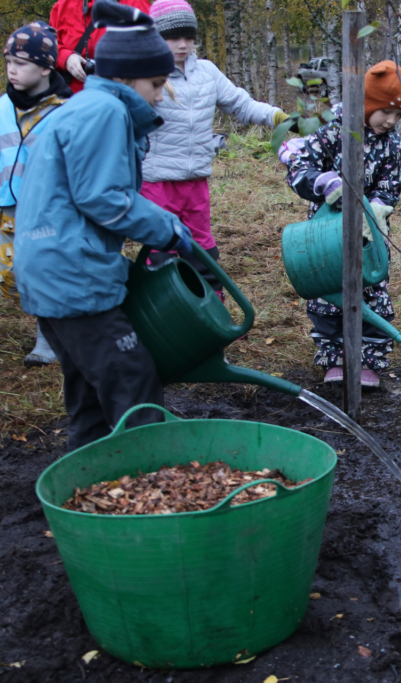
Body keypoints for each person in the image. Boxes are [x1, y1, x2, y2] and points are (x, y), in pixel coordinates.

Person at [13, 0, 191, 451]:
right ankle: (154, 482)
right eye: (155, 83)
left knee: (90, 394)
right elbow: (104, 198)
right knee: (131, 379)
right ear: (125, 78)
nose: (157, 94)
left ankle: (87, 484)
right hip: (73, 274)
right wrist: (167, 228)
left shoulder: (82, 106)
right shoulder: (103, 112)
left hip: (49, 268)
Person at [280, 60, 401, 388]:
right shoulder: (332, 128)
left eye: (399, 115)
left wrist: (381, 207)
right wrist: (322, 182)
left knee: (372, 292)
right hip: (325, 232)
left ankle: (369, 359)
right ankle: (334, 357)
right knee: (327, 294)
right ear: (367, 102)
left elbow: (392, 181)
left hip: (369, 232)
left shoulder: (392, 142)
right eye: (385, 111)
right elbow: (299, 167)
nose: (391, 121)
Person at [141, 0, 289, 293]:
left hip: (196, 180)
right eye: (173, 37)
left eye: (188, 37)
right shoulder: (147, 76)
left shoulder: (207, 72)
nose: (182, 45)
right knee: (162, 250)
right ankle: (166, 313)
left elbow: (239, 103)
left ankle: (210, 307)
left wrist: (276, 116)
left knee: (202, 249)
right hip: (157, 182)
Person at [0, 22, 73, 367]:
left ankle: (49, 337)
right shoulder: (2, 107)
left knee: (42, 271)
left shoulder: (65, 112)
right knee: (8, 272)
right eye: (8, 62)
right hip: (6, 205)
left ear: (46, 67)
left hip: (44, 210)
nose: (12, 70)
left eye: (21, 63)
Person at [49, 0, 151, 94]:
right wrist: (66, 58)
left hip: (121, 96)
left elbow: (152, 51)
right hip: (74, 100)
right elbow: (47, 47)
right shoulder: (63, 6)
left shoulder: (136, 4)